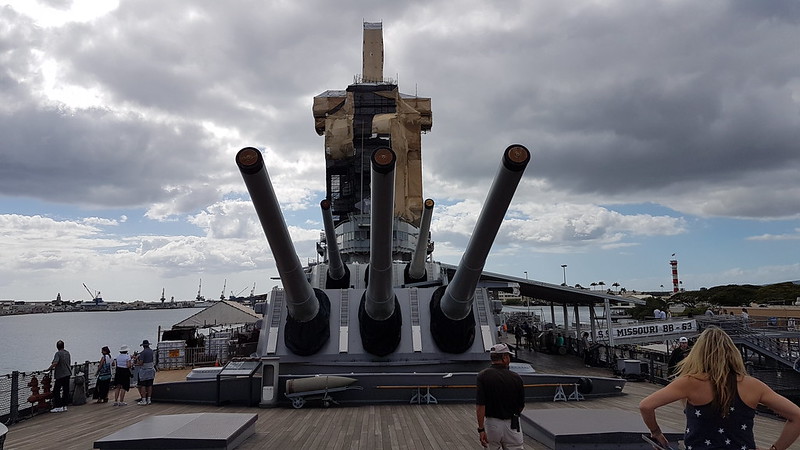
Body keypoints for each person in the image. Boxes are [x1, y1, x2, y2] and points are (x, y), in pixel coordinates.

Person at [639, 327, 800, 450]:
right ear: (732, 353)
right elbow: (797, 416)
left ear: (698, 353)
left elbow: (646, 406)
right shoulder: (753, 385)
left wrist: (656, 432)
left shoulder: (689, 382)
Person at [476, 343, 525, 449]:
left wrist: (481, 429)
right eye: (508, 356)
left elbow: (481, 405)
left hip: (492, 424)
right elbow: (521, 405)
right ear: (504, 358)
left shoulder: (482, 376)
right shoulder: (516, 378)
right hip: (512, 424)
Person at [46, 340, 71, 413]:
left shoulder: (58, 353)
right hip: (68, 373)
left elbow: (55, 363)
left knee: (56, 391)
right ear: (63, 345)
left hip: (60, 375)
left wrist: (49, 369)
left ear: (57, 347)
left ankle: (58, 406)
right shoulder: (67, 353)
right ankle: (64, 406)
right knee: (66, 390)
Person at [136, 340, 156, 405]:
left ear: (143, 346)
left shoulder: (142, 353)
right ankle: (149, 399)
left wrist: (137, 361)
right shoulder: (151, 351)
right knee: (150, 385)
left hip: (144, 370)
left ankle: (144, 400)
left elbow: (141, 363)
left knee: (143, 385)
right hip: (151, 369)